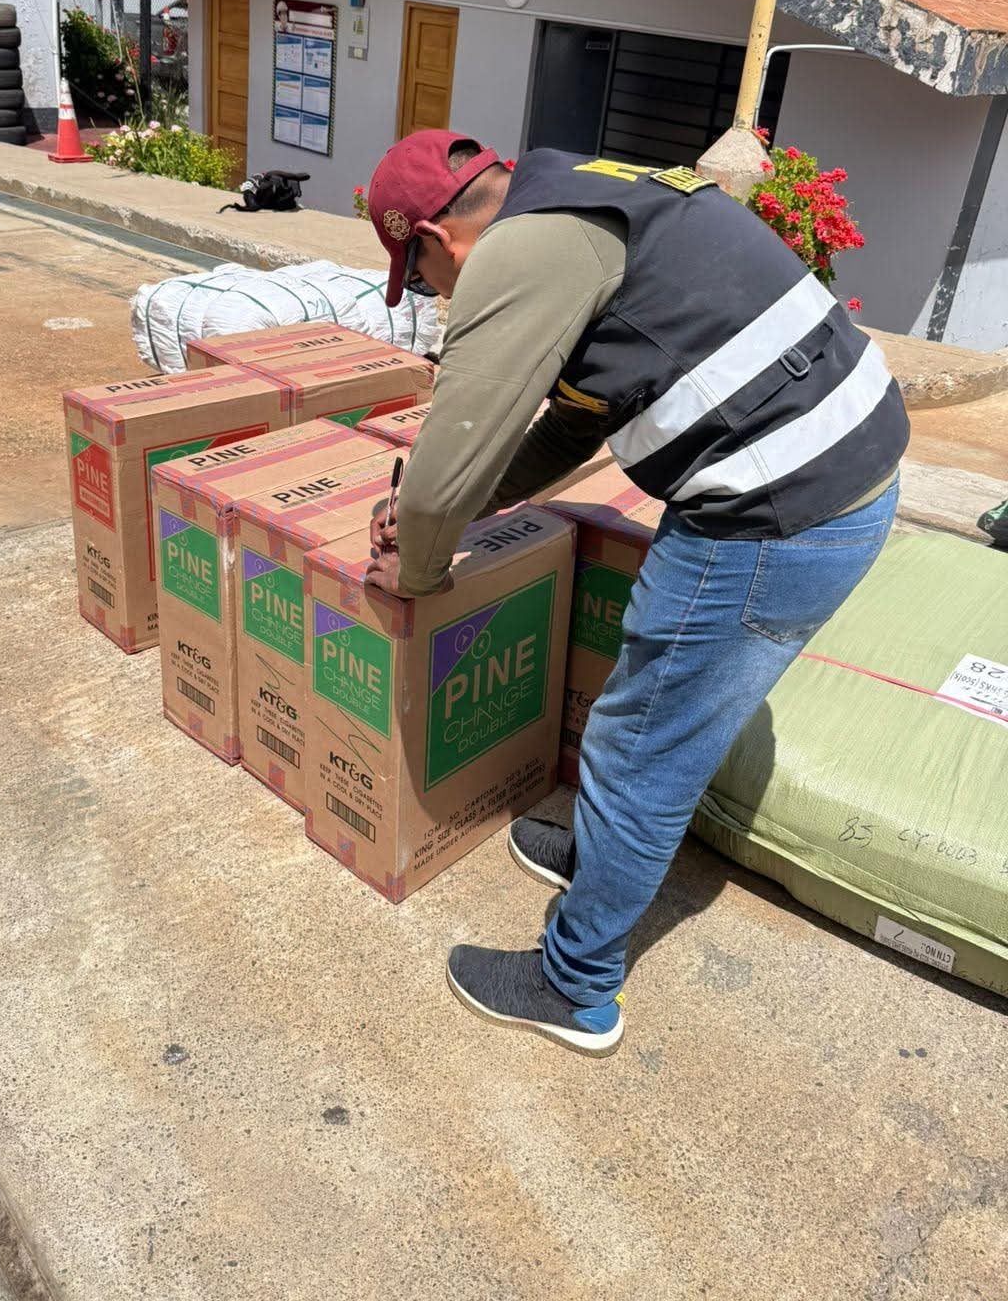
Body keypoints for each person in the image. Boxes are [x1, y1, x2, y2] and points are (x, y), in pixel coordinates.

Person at [363, 129, 908, 1058]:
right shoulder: (582, 193)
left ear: (436, 238)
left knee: (642, 744)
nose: (431, 296)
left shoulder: (520, 252)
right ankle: (600, 863)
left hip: (778, 510)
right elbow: (573, 423)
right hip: (834, 469)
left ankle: (575, 986)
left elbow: (448, 460)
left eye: (417, 278)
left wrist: (416, 565)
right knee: (648, 710)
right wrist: (464, 502)